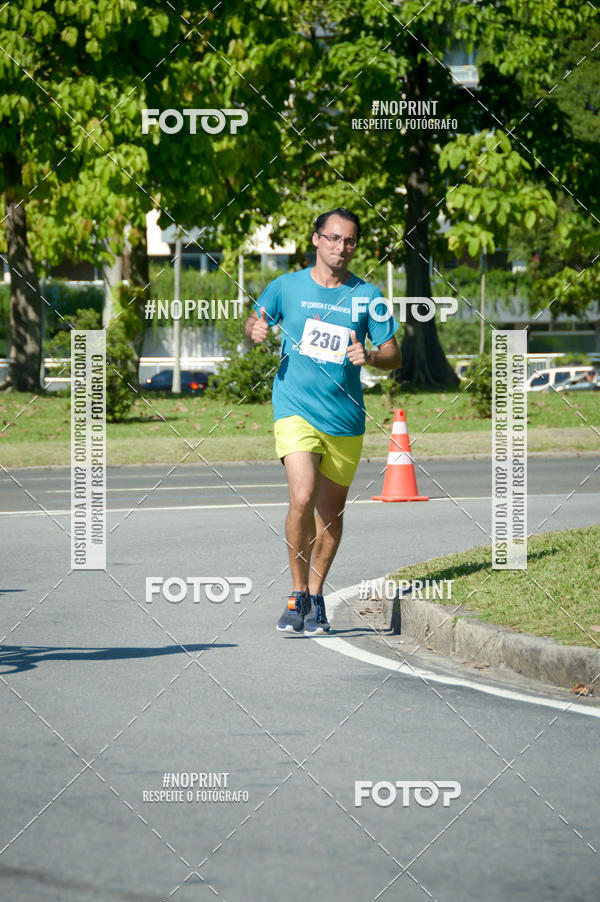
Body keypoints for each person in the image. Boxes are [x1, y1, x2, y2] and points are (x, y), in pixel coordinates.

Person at [244, 208, 401, 634]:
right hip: (294, 408)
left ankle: (316, 594)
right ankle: (296, 594)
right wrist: (255, 329)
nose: (341, 247)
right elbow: (256, 319)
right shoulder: (287, 286)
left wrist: (369, 355)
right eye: (333, 238)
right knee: (302, 496)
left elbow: (394, 354)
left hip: (345, 417)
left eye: (349, 241)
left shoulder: (367, 296)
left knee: (330, 515)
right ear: (316, 239)